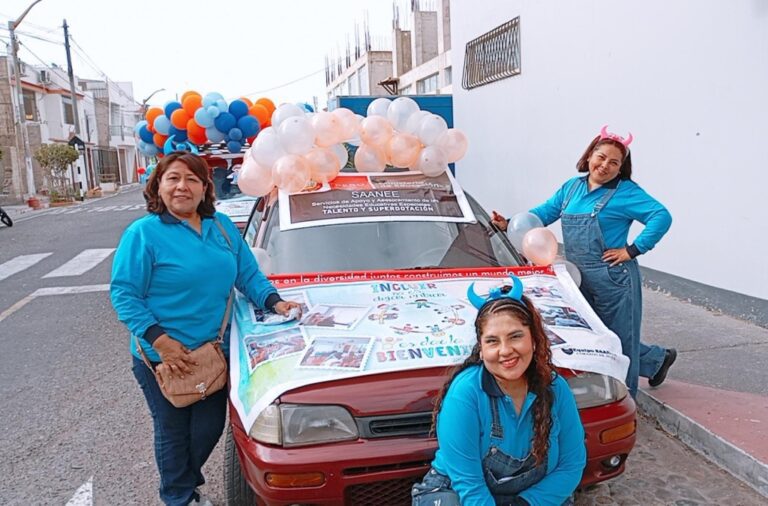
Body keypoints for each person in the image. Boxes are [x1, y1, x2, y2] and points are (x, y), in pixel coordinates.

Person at [110, 151, 301, 506]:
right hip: (163, 357)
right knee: (173, 431)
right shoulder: (143, 234)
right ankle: (179, 497)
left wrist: (275, 302)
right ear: (159, 186)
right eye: (173, 178)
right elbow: (124, 294)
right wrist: (159, 340)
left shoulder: (221, 228)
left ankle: (182, 479)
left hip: (213, 350)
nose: (182, 186)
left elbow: (247, 274)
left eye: (191, 179)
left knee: (209, 427)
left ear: (203, 188)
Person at [491, 126, 676, 397]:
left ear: (622, 167)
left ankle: (626, 400)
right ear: (589, 156)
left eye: (614, 162)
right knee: (595, 335)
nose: (605, 165)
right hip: (577, 276)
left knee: (619, 339)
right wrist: (510, 224)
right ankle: (656, 360)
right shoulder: (572, 188)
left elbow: (661, 216)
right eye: (600, 157)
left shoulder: (626, 192)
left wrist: (633, 250)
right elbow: (544, 212)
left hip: (614, 277)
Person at [412, 276, 586, 506]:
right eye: (493, 341)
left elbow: (571, 465)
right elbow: (470, 486)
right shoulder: (465, 395)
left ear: (534, 340)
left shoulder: (556, 389)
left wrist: (525, 503)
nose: (505, 351)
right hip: (460, 493)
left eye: (515, 336)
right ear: (481, 350)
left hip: (529, 498)